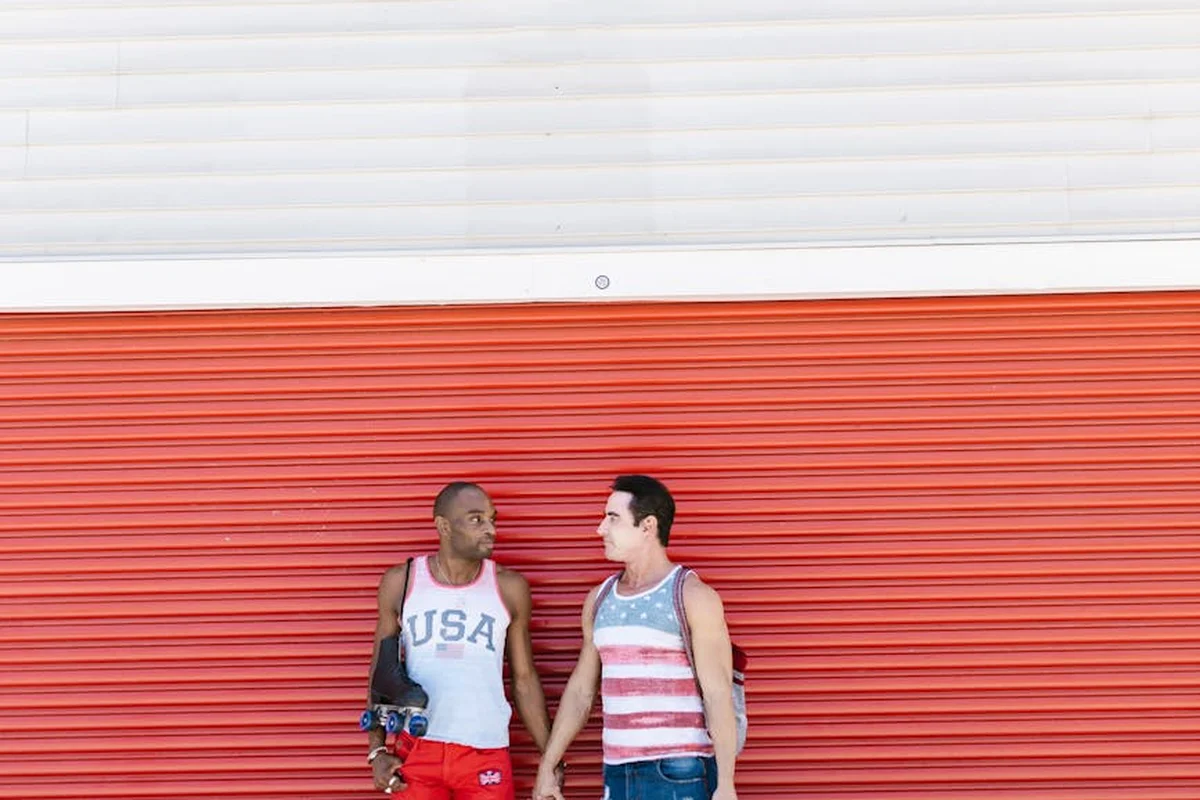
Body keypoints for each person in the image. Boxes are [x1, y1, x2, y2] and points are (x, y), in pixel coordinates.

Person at [532, 475, 739, 800]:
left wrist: (726, 785)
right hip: (617, 769)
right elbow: (581, 693)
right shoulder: (599, 599)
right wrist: (548, 766)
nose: (600, 529)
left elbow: (718, 694)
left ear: (647, 526)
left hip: (677, 769)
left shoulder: (691, 595)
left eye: (613, 518)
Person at [367, 481, 562, 799]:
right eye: (476, 519)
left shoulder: (509, 588)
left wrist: (551, 758)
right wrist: (376, 750)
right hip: (417, 750)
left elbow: (524, 680)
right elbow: (381, 671)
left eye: (492, 519)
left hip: (485, 750)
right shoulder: (402, 582)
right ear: (443, 526)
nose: (491, 530)